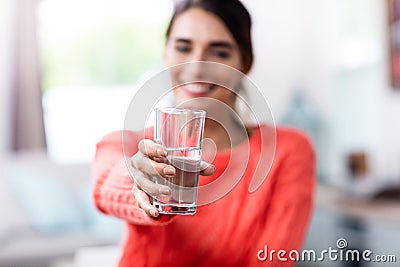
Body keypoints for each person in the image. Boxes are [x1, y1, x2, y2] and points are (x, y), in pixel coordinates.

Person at [91, 0, 316, 266]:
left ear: (244, 63)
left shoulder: (286, 151)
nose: (197, 67)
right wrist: (140, 184)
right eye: (183, 47)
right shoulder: (128, 144)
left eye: (219, 53)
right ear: (165, 54)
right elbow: (107, 182)